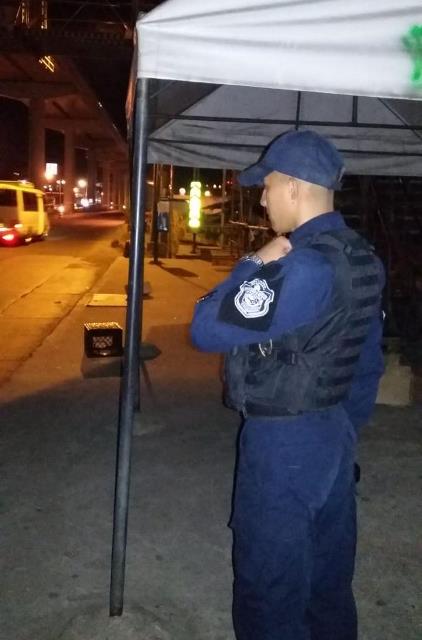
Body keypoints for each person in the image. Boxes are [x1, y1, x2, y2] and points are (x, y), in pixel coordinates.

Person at [190, 130, 385, 640]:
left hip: (284, 443)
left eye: (268, 185)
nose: (262, 198)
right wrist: (341, 431)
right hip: (334, 433)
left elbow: (205, 328)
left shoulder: (302, 266)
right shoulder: (363, 256)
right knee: (327, 583)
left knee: (270, 588)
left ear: (295, 187)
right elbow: (367, 363)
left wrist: (253, 263)